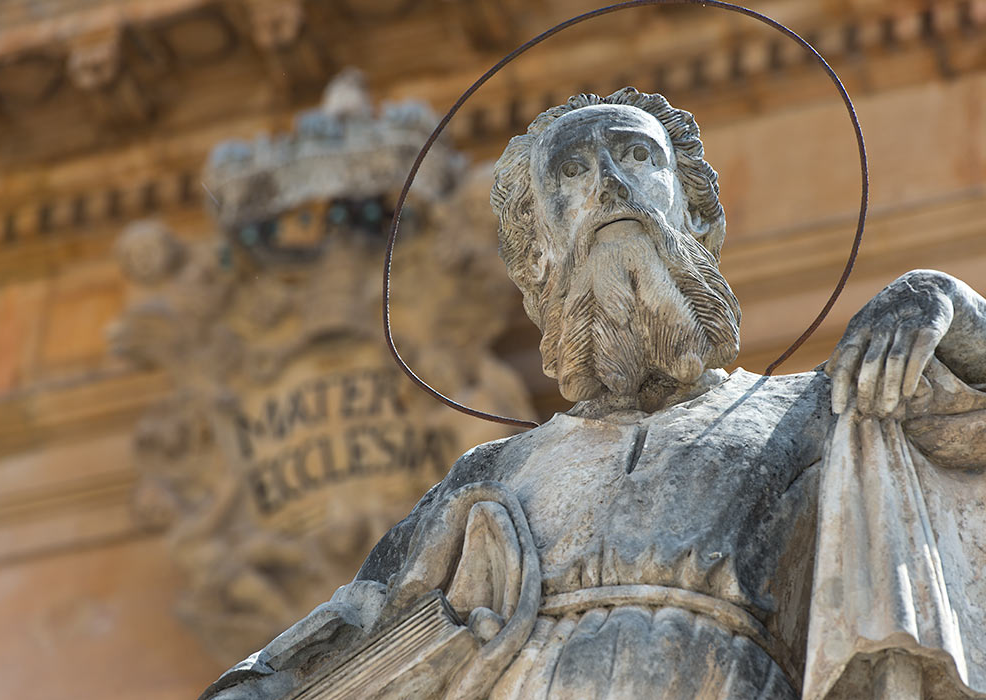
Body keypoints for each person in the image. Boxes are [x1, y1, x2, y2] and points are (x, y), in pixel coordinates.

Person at [202, 88, 986, 700]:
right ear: (539, 260)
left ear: (701, 219)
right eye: (571, 176)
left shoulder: (813, 414)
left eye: (635, 157)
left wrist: (940, 300)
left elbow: (966, 440)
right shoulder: (494, 473)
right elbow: (340, 634)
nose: (610, 182)